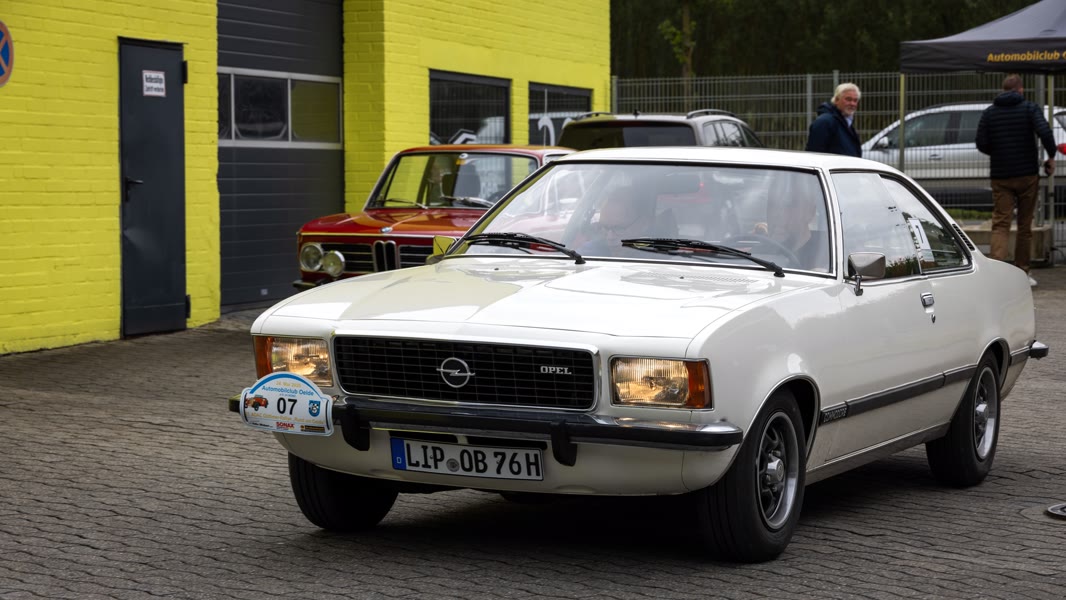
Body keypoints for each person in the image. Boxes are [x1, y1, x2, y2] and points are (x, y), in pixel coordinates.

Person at [976, 73, 1057, 287]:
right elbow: (1045, 132)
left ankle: (996, 275)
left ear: (1003, 90)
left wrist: (998, 152)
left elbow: (981, 142)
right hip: (1027, 175)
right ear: (1021, 89)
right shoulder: (1029, 108)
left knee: (1000, 224)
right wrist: (1051, 156)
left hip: (1001, 175)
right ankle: (1022, 272)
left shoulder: (990, 113)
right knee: (1024, 225)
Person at [805, 83, 862, 157]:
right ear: (836, 100)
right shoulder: (825, 122)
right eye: (848, 99)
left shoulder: (845, 123)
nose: (852, 104)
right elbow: (815, 153)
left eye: (855, 100)